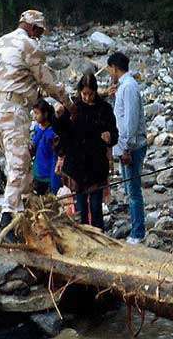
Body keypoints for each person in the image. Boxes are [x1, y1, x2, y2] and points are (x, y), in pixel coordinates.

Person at [0, 10, 71, 243]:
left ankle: (26, 218)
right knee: (19, 166)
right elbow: (47, 82)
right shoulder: (29, 45)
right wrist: (68, 103)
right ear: (31, 27)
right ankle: (7, 223)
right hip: (14, 109)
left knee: (19, 165)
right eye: (39, 31)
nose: (39, 36)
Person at [53, 72, 118, 231]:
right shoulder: (73, 108)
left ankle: (99, 236)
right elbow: (62, 133)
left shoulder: (104, 109)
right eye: (84, 94)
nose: (87, 98)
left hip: (96, 166)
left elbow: (114, 133)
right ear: (80, 92)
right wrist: (59, 117)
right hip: (77, 166)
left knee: (96, 208)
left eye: (90, 94)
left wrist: (109, 137)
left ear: (95, 92)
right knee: (80, 209)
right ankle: (84, 237)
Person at [107, 52, 148, 244]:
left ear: (114, 68)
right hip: (126, 145)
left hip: (131, 147)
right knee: (129, 189)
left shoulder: (129, 87)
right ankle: (135, 227)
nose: (109, 73)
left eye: (110, 69)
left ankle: (138, 232)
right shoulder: (124, 86)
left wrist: (126, 149)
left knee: (133, 191)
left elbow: (131, 120)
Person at [31, 99, 61, 195]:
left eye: (37, 113)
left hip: (48, 175)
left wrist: (54, 182)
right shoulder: (37, 129)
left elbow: (55, 156)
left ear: (45, 114)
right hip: (37, 173)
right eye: (34, 113)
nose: (35, 116)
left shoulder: (53, 133)